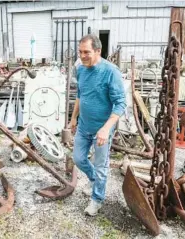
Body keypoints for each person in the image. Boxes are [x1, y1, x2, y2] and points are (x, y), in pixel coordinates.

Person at [70, 34, 126, 216]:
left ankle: (97, 199)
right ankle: (94, 180)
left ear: (98, 51)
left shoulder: (111, 72)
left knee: (101, 166)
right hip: (84, 126)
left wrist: (106, 128)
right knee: (78, 158)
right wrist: (73, 118)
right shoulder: (81, 69)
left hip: (102, 130)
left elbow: (120, 104)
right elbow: (80, 95)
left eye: (86, 52)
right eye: (80, 52)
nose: (82, 56)